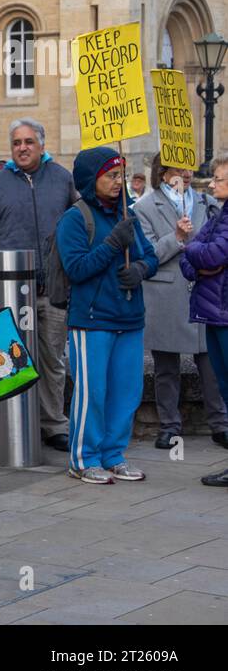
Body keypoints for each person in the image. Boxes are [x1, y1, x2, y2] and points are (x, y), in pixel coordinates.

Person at [57, 147, 158, 485]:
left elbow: (152, 257)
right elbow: (77, 268)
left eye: (120, 175)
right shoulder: (75, 218)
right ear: (91, 179)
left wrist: (141, 269)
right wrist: (113, 245)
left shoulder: (126, 214)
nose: (118, 182)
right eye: (111, 176)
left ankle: (114, 454)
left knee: (127, 392)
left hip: (129, 317)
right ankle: (83, 458)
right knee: (93, 393)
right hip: (92, 320)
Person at [0, 118, 78, 452]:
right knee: (8, 358)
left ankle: (53, 425)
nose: (22, 147)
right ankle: (6, 423)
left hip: (53, 290)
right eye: (17, 142)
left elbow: (76, 229)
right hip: (8, 291)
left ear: (42, 145)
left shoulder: (63, 180)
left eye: (29, 142)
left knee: (52, 360)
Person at [134, 155, 228, 452]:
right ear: (163, 174)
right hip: (166, 294)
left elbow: (216, 246)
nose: (186, 174)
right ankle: (169, 427)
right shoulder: (145, 207)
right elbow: (147, 254)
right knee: (165, 367)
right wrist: (175, 238)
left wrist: (197, 250)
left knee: (211, 363)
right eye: (178, 169)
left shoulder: (204, 201)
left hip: (204, 292)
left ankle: (221, 423)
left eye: (188, 168)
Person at [182, 158, 228, 488]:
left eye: (218, 178)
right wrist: (197, 253)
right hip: (215, 313)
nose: (211, 184)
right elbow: (193, 261)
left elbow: (210, 256)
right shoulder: (220, 215)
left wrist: (193, 249)